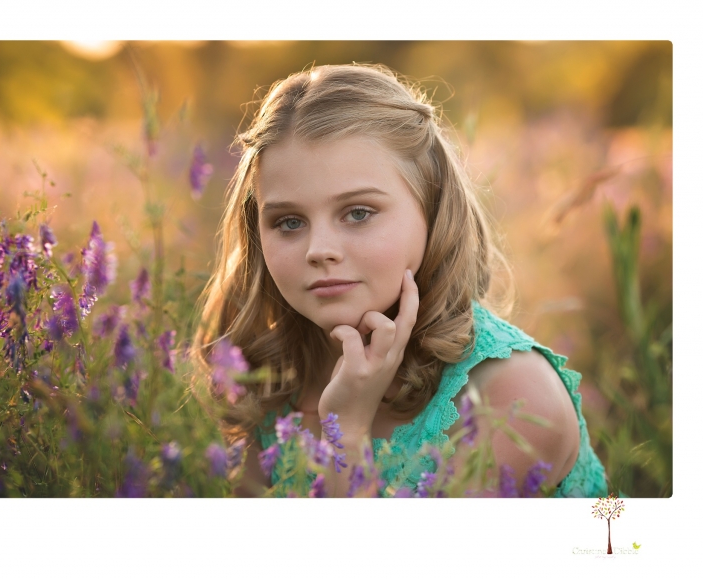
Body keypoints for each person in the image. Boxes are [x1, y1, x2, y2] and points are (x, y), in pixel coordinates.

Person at [193, 63, 607, 498]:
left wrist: (346, 433)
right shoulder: (267, 373)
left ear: (431, 209)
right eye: (289, 222)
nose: (319, 249)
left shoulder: (510, 397)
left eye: (358, 213)